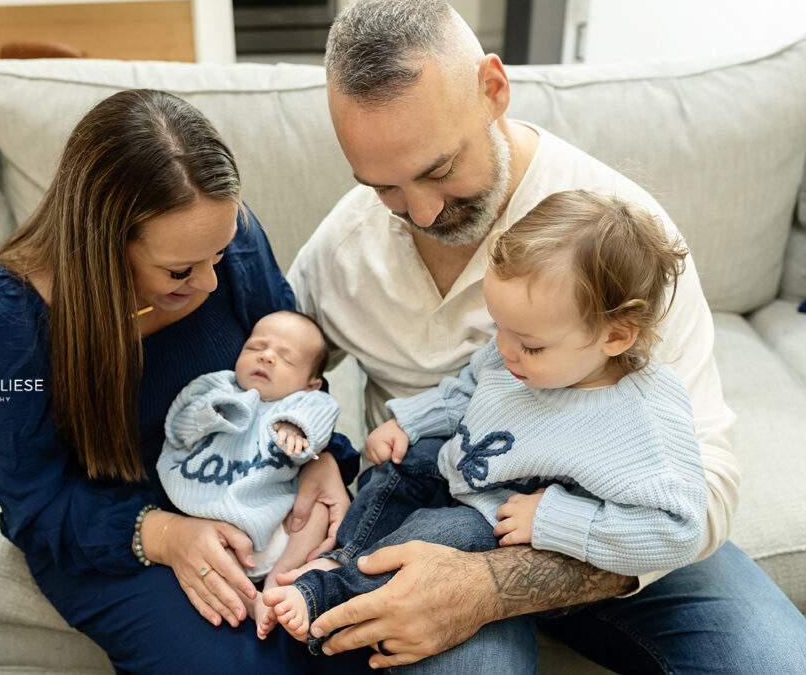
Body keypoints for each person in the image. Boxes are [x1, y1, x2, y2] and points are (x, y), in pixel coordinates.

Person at [286, 0, 806, 671]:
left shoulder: (617, 241)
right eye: (383, 187)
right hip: (441, 519)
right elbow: (276, 348)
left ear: (493, 89)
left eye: (440, 169)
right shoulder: (346, 247)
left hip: (612, 528)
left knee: (776, 660)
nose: (422, 211)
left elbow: (705, 492)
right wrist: (313, 449)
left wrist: (494, 585)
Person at [0, 89, 371, 674]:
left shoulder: (226, 241)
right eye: (178, 271)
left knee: (354, 641)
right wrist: (167, 536)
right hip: (117, 529)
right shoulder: (7, 313)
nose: (208, 283)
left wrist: (317, 460)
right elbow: (34, 502)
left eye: (220, 254)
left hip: (255, 486)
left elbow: (294, 366)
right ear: (101, 246)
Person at [267, 190, 708, 649]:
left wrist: (554, 518)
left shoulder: (643, 418)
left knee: (435, 536)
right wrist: (410, 422)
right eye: (499, 326)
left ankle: (326, 597)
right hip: (454, 467)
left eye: (530, 345)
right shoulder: (514, 348)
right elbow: (467, 386)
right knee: (394, 466)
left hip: (495, 519)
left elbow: (678, 531)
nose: (504, 349)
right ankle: (341, 557)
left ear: (614, 336)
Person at [157, 309, 341, 639]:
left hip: (278, 526)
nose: (267, 357)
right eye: (256, 347)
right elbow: (178, 425)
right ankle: (254, 602)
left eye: (286, 358)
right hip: (214, 524)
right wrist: (216, 413)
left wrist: (296, 426)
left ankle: (281, 581)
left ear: (311, 384)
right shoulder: (217, 386)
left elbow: (322, 414)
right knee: (216, 565)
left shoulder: (304, 402)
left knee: (317, 512)